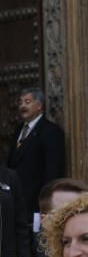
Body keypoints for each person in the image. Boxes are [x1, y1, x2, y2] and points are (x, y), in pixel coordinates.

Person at [7, 88, 65, 226]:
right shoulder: (18, 129)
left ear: (39, 105)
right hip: (15, 200)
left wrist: (45, 203)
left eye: (27, 102)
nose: (22, 106)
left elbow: (52, 171)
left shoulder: (51, 131)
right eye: (20, 102)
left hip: (35, 203)